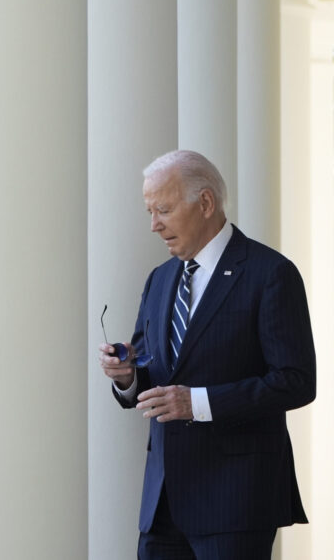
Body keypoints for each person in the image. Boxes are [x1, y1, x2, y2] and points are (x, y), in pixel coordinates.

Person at [100, 150, 316, 560]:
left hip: (236, 503)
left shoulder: (271, 274)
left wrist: (196, 402)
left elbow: (295, 380)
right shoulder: (159, 279)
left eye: (163, 209)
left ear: (205, 203)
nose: (153, 225)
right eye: (149, 211)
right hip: (162, 505)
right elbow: (151, 371)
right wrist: (125, 375)